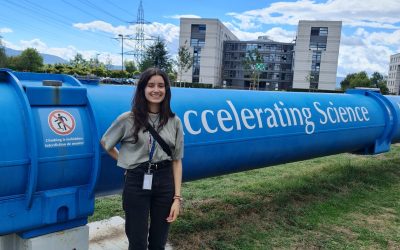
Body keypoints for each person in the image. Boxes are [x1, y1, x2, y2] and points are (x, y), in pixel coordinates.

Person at [100, 67, 184, 250]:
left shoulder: (174, 121)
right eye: (151, 85)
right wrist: (126, 161)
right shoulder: (127, 119)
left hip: (164, 181)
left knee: (158, 241)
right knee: (137, 241)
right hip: (136, 180)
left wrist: (177, 198)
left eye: (161, 86)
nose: (156, 90)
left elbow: (177, 161)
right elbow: (106, 143)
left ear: (166, 90)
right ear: (143, 89)